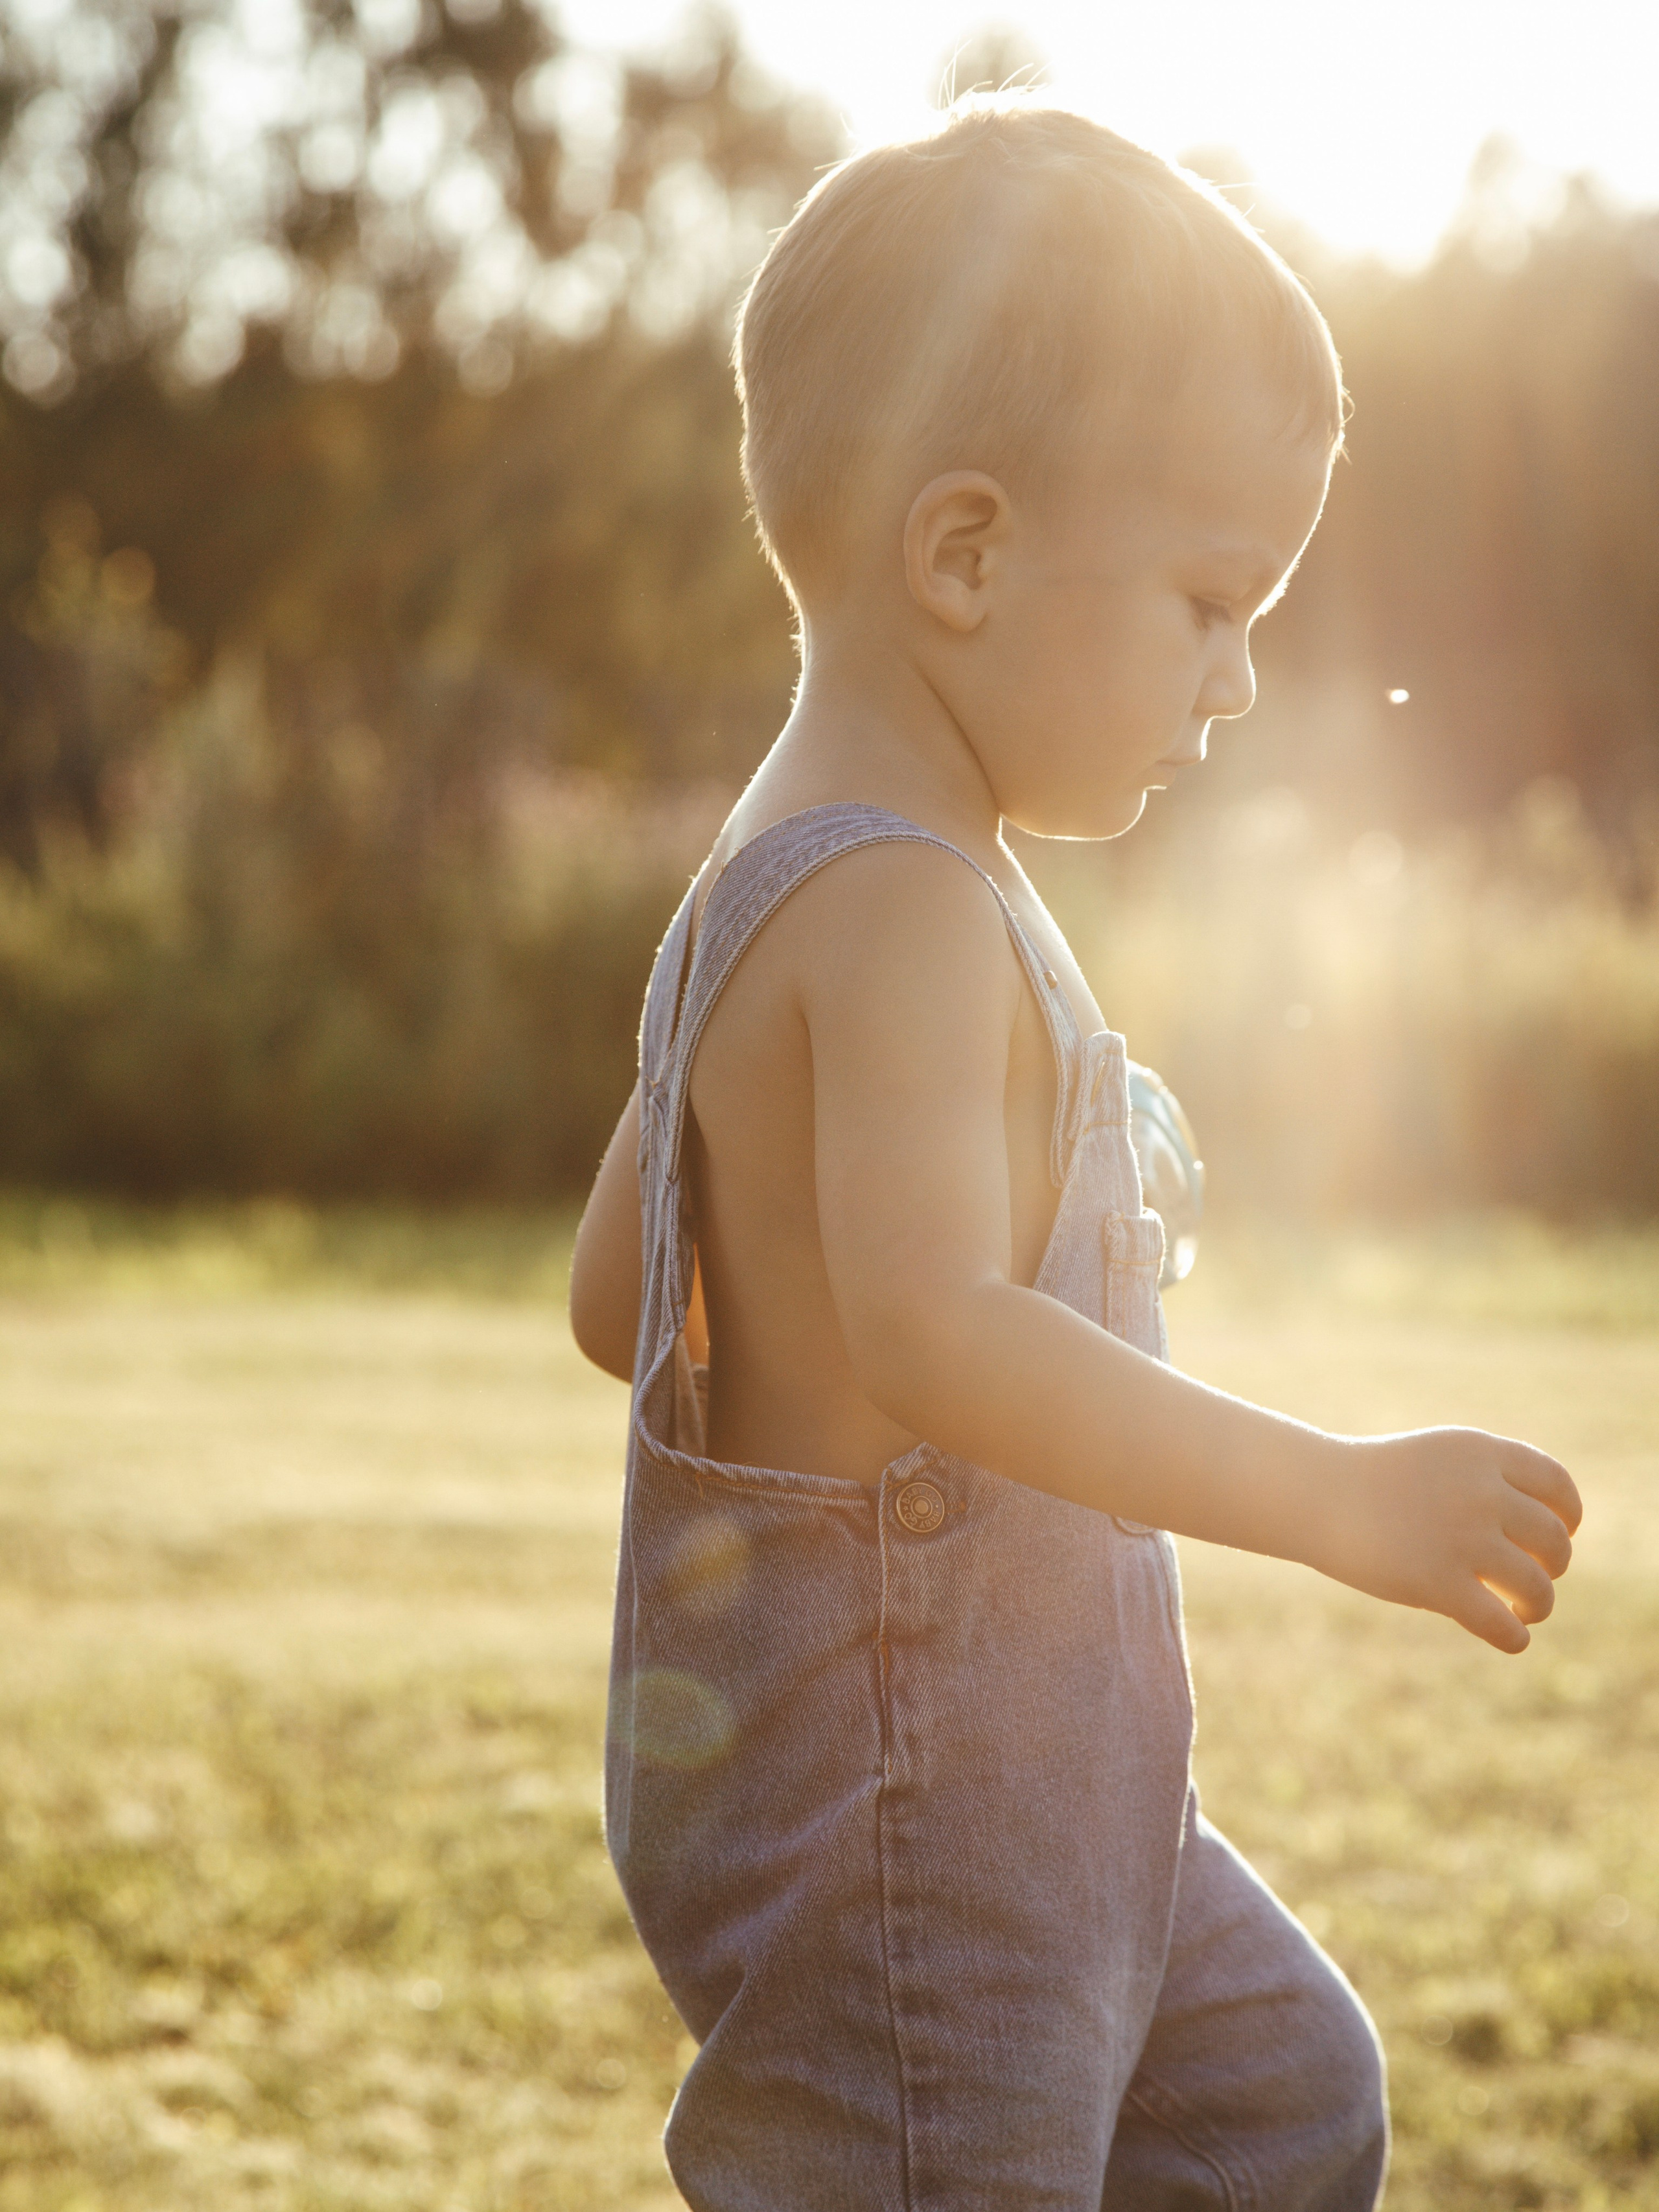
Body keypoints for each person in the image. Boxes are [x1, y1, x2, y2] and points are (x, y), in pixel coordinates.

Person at [568, 102, 1581, 2212]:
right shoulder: (904, 903)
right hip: (921, 1837)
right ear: (965, 557)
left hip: (1058, 1798)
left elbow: (617, 1297)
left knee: (1280, 2104)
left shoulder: (776, 873)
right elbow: (939, 1337)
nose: (1241, 680)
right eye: (1210, 603)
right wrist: (1335, 1496)